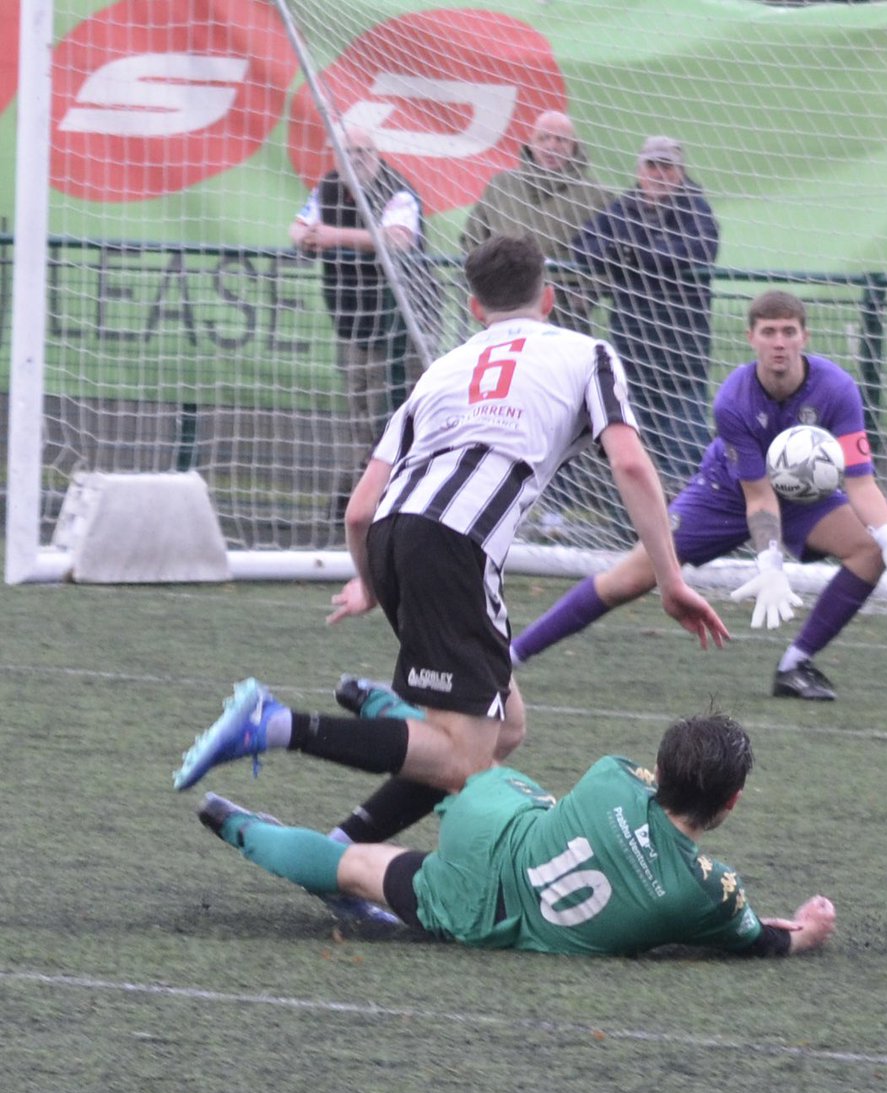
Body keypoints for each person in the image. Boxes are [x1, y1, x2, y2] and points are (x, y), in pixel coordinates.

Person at [174, 236, 729, 850]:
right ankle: (275, 726)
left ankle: (344, 840)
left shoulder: (442, 368)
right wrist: (671, 579)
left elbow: (359, 509)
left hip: (391, 534)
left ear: (473, 308)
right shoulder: (587, 352)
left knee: (505, 727)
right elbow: (629, 464)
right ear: (548, 297)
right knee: (464, 759)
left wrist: (373, 584)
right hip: (455, 544)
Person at [510, 290, 887, 702]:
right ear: (750, 336)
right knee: (630, 578)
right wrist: (770, 561)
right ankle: (510, 655)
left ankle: (795, 665)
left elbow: (861, 483)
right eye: (769, 332)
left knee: (869, 552)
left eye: (789, 332)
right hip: (725, 493)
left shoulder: (838, 389)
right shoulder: (733, 399)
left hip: (803, 496)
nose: (779, 343)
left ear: (804, 338)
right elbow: (758, 497)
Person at [192, 707, 837, 957]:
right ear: (733, 801)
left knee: (474, 765)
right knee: (355, 869)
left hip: (494, 830)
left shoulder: (614, 775)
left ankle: (390, 715)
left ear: (661, 770)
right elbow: (765, 942)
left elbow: (636, 801)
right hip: (486, 914)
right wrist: (808, 928)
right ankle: (231, 822)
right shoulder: (709, 894)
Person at [289, 123, 433, 518]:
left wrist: (335, 237)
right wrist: (308, 238)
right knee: (358, 410)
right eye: (347, 152)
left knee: (398, 409)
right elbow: (299, 226)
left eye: (363, 152)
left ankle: (401, 497)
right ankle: (360, 495)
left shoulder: (397, 189)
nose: (355, 160)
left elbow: (398, 238)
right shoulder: (329, 186)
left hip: (402, 324)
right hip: (351, 320)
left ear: (376, 155)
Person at [573, 135, 720, 484]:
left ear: (680, 172)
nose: (658, 174)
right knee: (632, 453)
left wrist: (633, 256)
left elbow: (698, 249)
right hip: (631, 352)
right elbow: (583, 246)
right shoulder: (622, 207)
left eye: (666, 166)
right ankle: (626, 526)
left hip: (681, 355)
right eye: (652, 165)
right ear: (639, 170)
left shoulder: (696, 209)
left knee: (684, 453)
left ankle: (686, 530)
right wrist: (622, 253)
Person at [461, 109, 611, 334]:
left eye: (561, 140)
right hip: (502, 308)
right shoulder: (501, 186)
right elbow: (472, 238)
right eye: (544, 138)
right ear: (530, 144)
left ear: (575, 147)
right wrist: (485, 284)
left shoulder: (597, 196)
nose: (551, 146)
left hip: (565, 314)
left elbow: (609, 252)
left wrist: (587, 294)